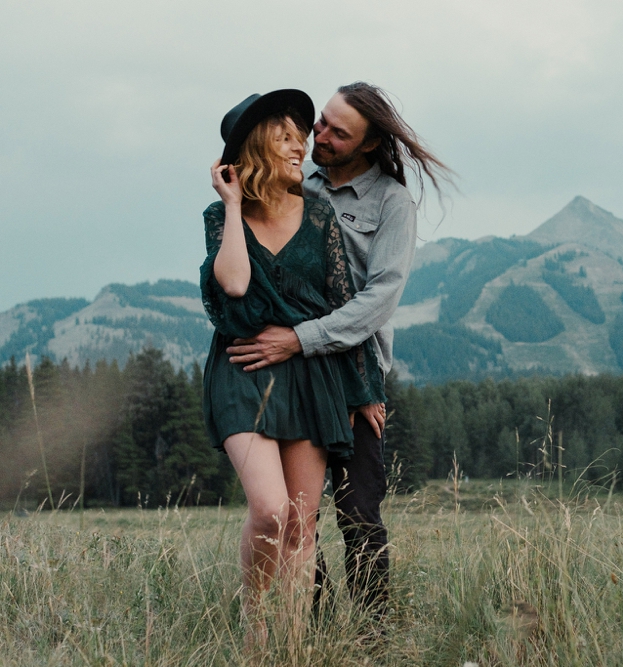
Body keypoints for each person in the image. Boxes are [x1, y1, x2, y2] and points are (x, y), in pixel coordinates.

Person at [224, 82, 454, 619]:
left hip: (350, 365)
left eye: (336, 132)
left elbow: (379, 300)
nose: (318, 136)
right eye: (321, 122)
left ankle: (373, 634)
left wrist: (355, 378)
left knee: (357, 508)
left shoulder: (392, 203)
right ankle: (318, 622)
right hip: (292, 372)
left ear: (369, 145)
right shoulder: (298, 181)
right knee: (296, 514)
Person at [200, 89, 385, 644]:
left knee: (304, 524)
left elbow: (342, 302)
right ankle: (258, 638)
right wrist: (233, 206)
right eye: (284, 137)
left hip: (312, 375)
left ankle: (293, 643)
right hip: (244, 370)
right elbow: (233, 286)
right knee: (271, 511)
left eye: (299, 137)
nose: (299, 146)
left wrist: (364, 390)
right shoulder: (219, 216)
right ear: (256, 146)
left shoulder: (320, 213)